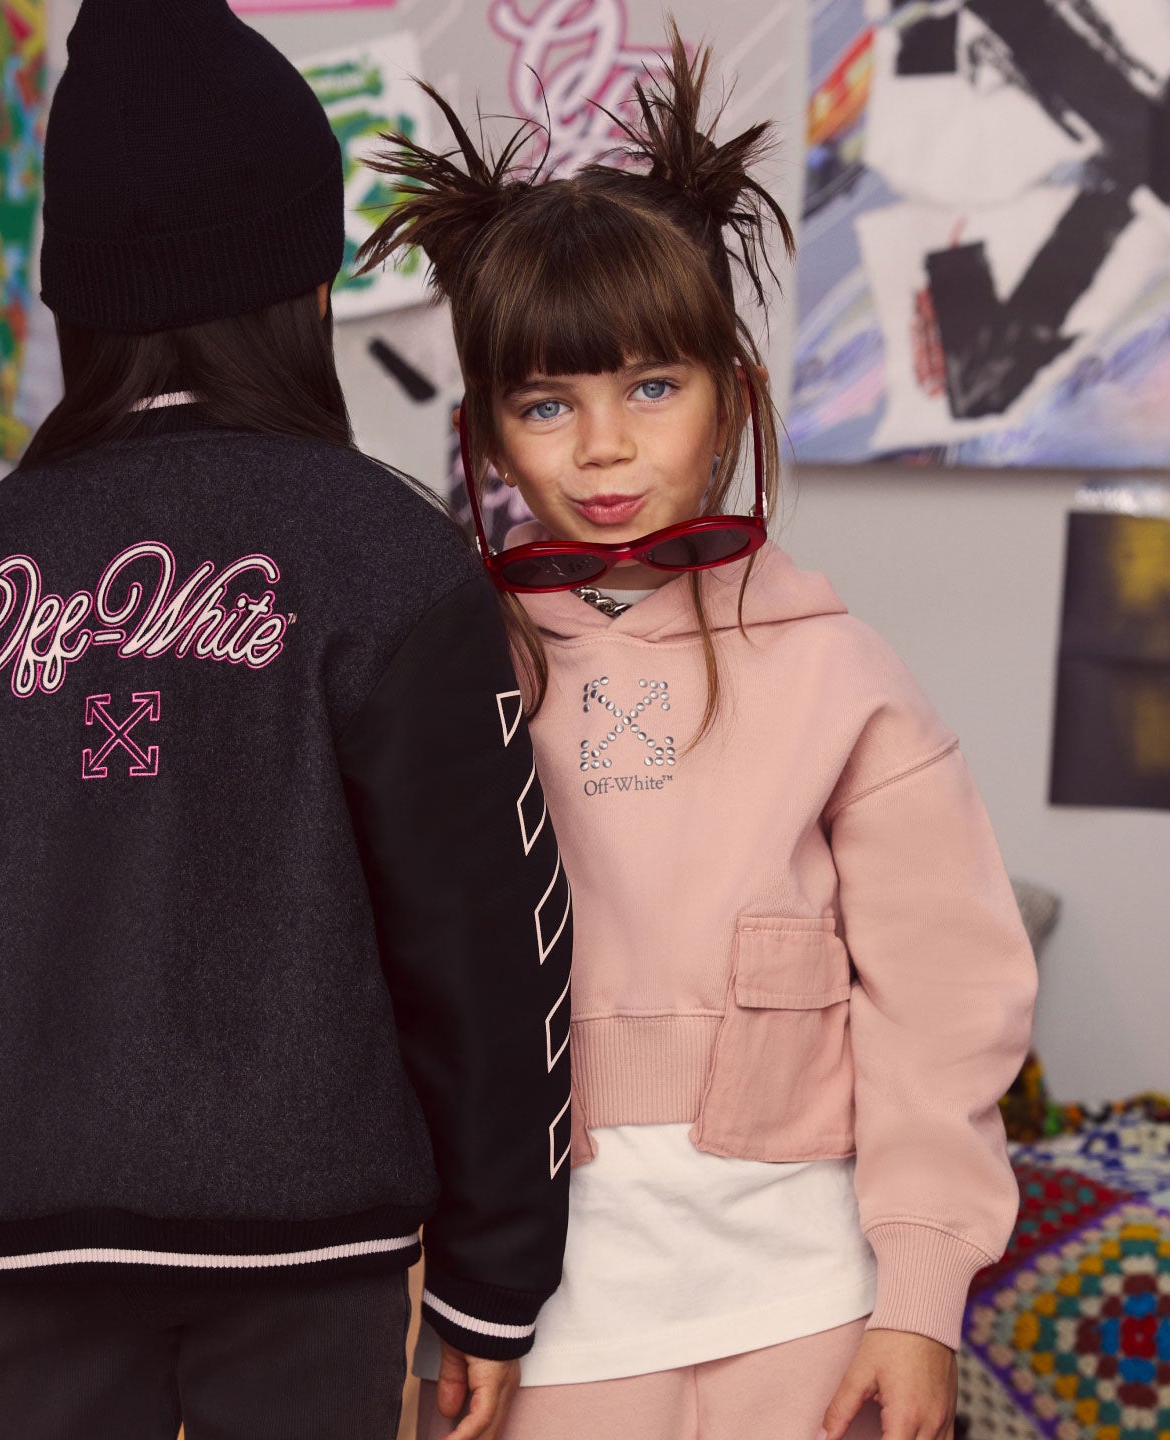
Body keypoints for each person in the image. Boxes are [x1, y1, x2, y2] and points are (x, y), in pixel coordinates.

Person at [0, 5, 570, 1439]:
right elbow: (483, 942)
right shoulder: (391, 560)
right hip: (312, 1258)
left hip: (26, 1261)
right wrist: (493, 1279)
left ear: (71, 299)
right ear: (308, 288)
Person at [352, 30, 1034, 1440]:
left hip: (813, 1306)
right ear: (489, 434)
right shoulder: (439, 667)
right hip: (538, 1322)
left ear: (732, 392)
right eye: (549, 403)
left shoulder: (840, 674)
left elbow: (945, 1002)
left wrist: (918, 1299)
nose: (602, 446)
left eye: (652, 387)